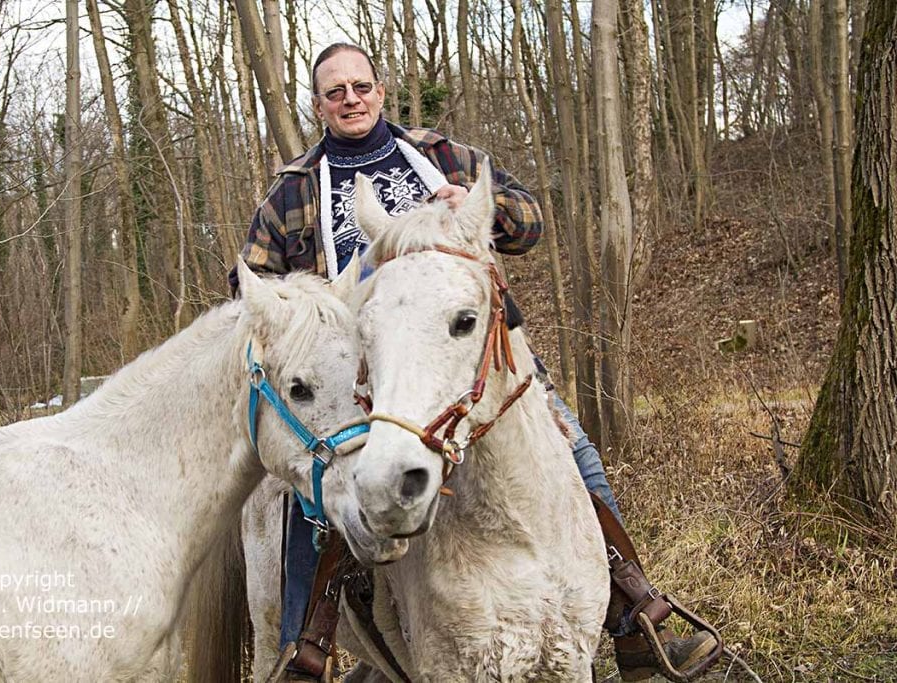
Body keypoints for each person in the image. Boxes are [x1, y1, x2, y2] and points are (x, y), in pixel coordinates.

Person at [231, 42, 719, 682]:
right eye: (334, 92)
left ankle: (634, 616)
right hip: (359, 366)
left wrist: (475, 205)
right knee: (313, 498)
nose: (350, 99)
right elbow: (250, 291)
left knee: (573, 448)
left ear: (380, 91)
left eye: (361, 86)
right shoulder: (295, 188)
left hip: (471, 350)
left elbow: (528, 225)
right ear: (318, 105)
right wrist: (315, 303)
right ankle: (305, 645)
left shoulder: (439, 155)